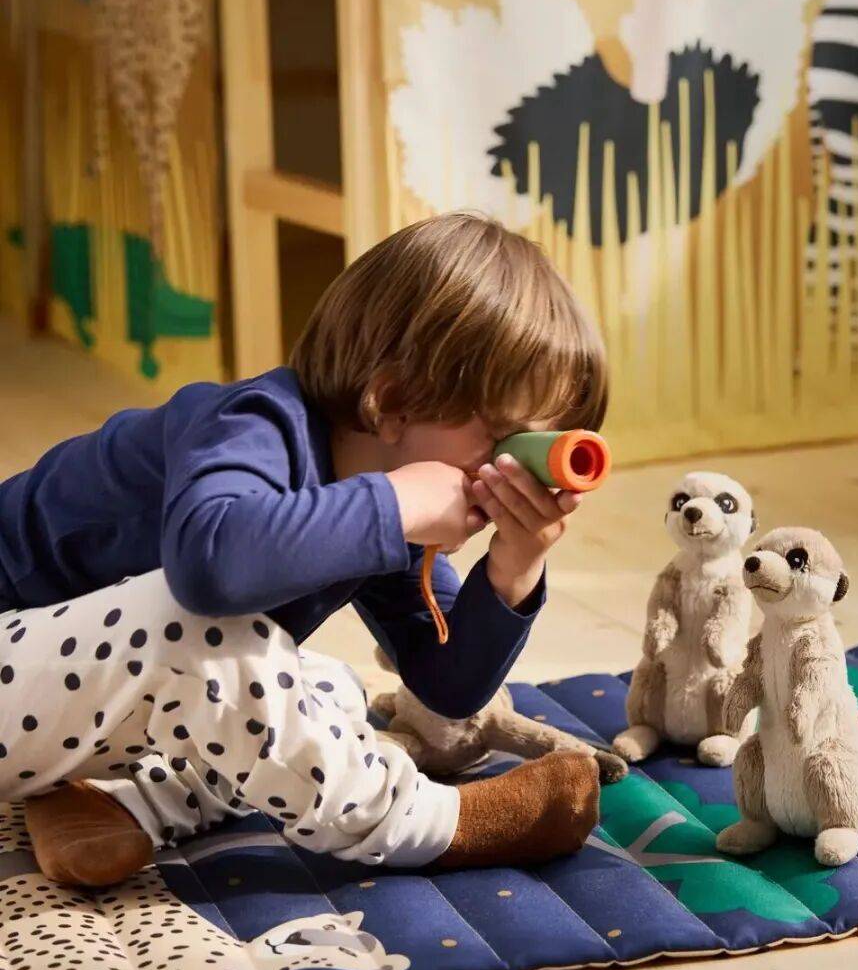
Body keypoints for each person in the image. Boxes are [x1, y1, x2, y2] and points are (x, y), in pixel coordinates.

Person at [0, 212, 606, 886]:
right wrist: (398, 502)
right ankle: (428, 823)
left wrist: (514, 568)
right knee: (205, 635)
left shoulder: (374, 495)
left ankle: (113, 803)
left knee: (325, 690)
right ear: (394, 402)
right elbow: (208, 571)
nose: (511, 472)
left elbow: (446, 687)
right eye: (503, 440)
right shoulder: (250, 425)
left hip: (53, 709)